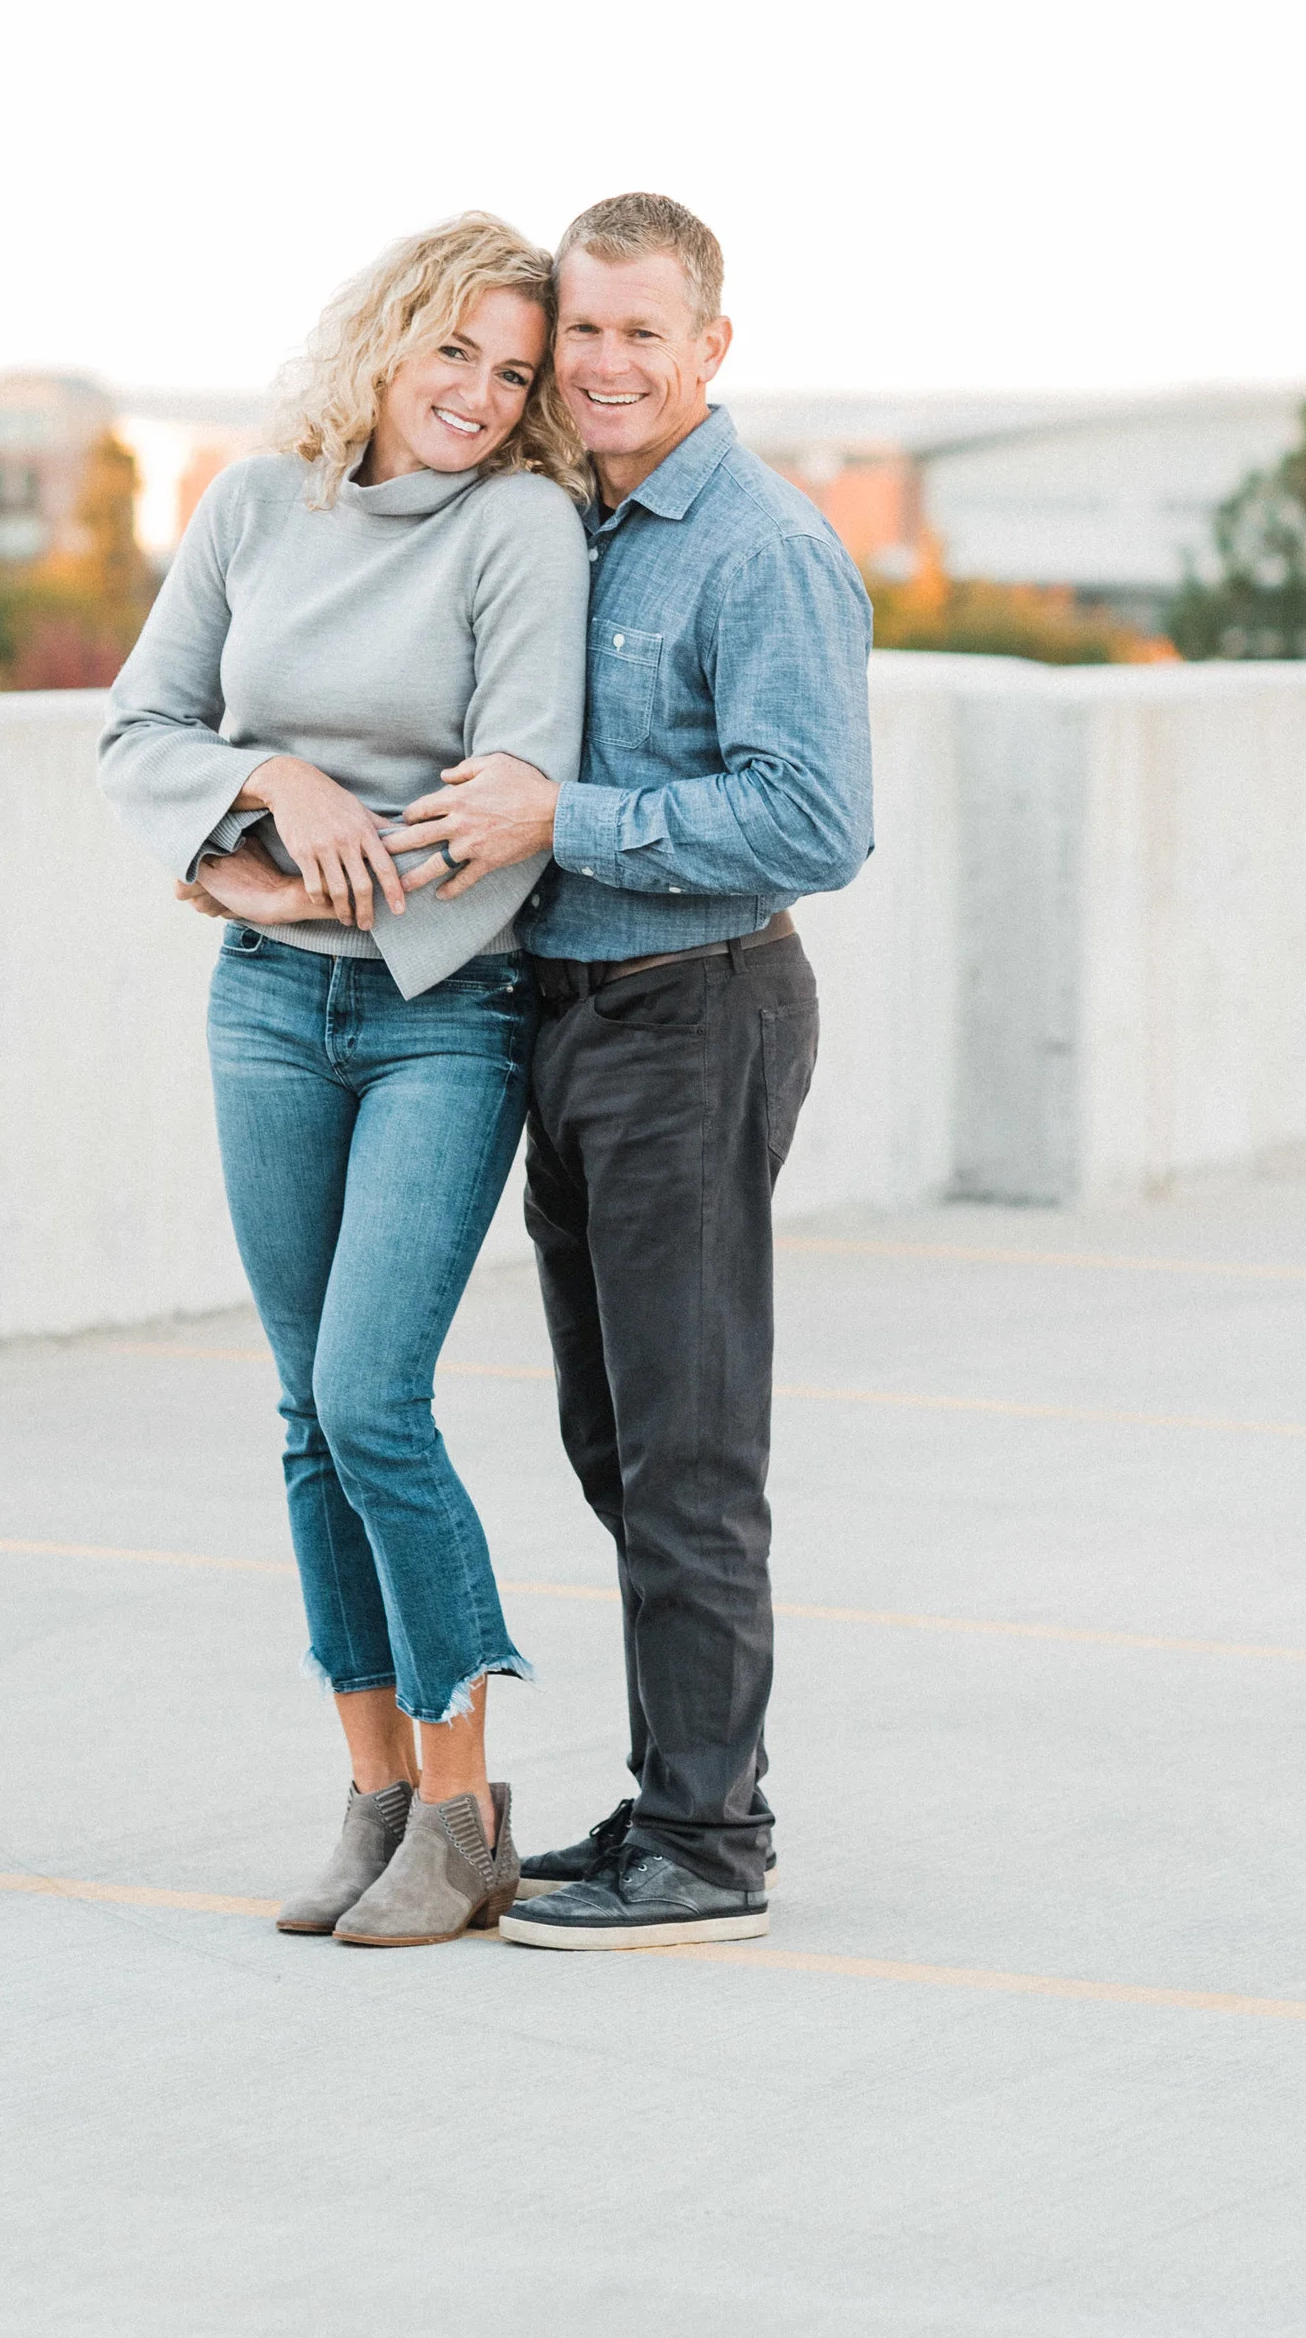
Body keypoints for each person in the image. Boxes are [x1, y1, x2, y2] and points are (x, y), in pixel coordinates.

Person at [97, 214, 589, 1948]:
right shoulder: (254, 508)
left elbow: (516, 786)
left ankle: (465, 1819)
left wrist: (259, 866)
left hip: (443, 1014)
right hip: (263, 1013)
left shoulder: (520, 527)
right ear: (386, 340)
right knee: (307, 1413)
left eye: (513, 371)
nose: (479, 393)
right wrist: (276, 781)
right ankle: (377, 1794)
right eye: (454, 350)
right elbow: (142, 734)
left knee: (379, 1396)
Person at [399, 191, 874, 1950]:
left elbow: (820, 819)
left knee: (687, 1453)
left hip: (699, 1013)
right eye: (579, 333)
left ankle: (710, 1847)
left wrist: (563, 816)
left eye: (637, 335)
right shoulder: (567, 523)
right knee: (616, 1441)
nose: (600, 365)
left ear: (709, 348)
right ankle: (675, 1800)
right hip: (576, 1018)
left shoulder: (756, 544)